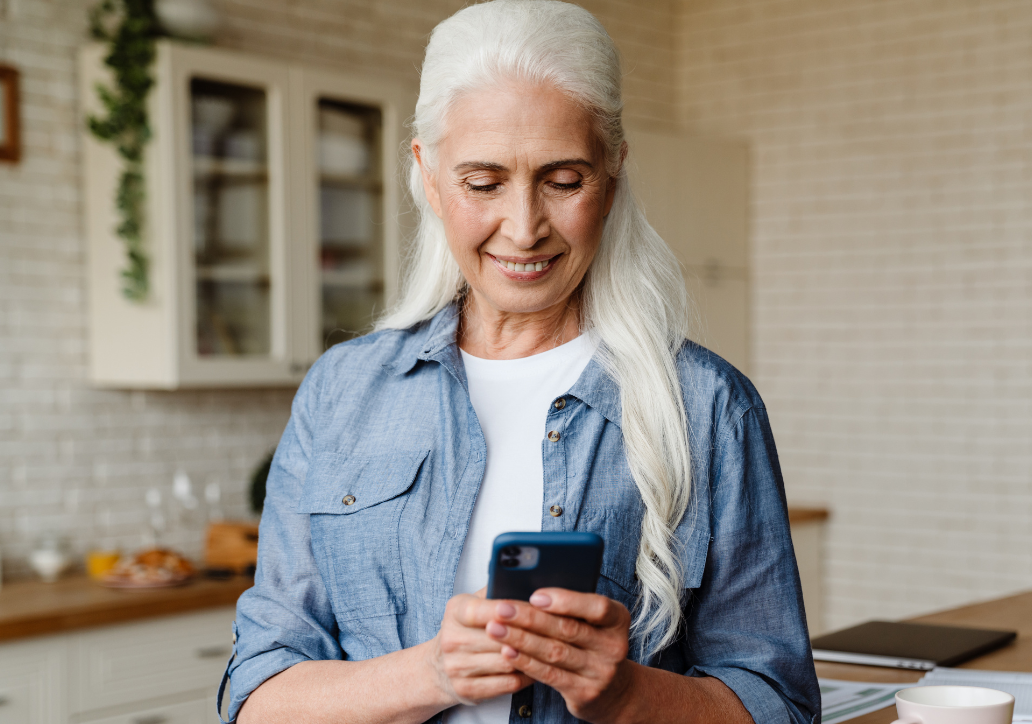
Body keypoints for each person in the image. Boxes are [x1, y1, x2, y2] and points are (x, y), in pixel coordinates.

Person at [222, 2, 818, 722]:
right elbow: (257, 700)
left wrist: (625, 691)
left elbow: (778, 706)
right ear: (429, 174)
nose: (524, 226)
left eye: (564, 180)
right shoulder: (342, 392)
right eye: (483, 182)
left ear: (614, 171)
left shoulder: (708, 406)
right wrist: (434, 672)